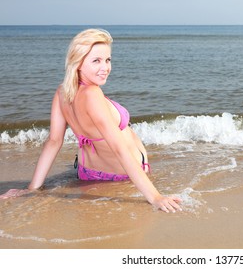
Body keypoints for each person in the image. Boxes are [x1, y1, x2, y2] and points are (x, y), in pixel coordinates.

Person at [0, 28, 182, 213]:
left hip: (86, 173)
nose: (105, 68)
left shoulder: (62, 92)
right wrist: (155, 197)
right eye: (96, 61)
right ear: (78, 62)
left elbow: (54, 141)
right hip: (121, 174)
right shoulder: (92, 94)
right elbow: (119, 148)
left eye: (108, 60)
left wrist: (32, 188)